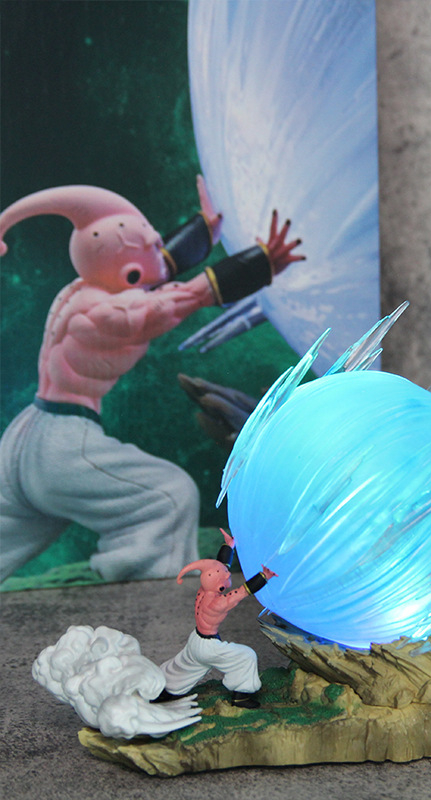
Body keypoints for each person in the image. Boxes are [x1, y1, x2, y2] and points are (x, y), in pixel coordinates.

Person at [0, 177, 303, 581]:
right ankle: (146, 599)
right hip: (62, 444)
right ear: (126, 267)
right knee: (169, 498)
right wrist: (262, 262)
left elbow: (154, 268)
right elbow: (180, 297)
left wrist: (203, 230)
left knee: (11, 529)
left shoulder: (83, 290)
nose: (158, 246)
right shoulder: (106, 314)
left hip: (24, 439)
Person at [157, 529, 276, 709]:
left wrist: (228, 546)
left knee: (185, 668)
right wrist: (263, 577)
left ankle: (162, 691)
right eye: (225, 576)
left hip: (196, 639)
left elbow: (220, 566)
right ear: (220, 585)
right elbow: (243, 591)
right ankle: (241, 696)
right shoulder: (217, 603)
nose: (228, 575)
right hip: (208, 646)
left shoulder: (204, 590)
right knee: (246, 656)